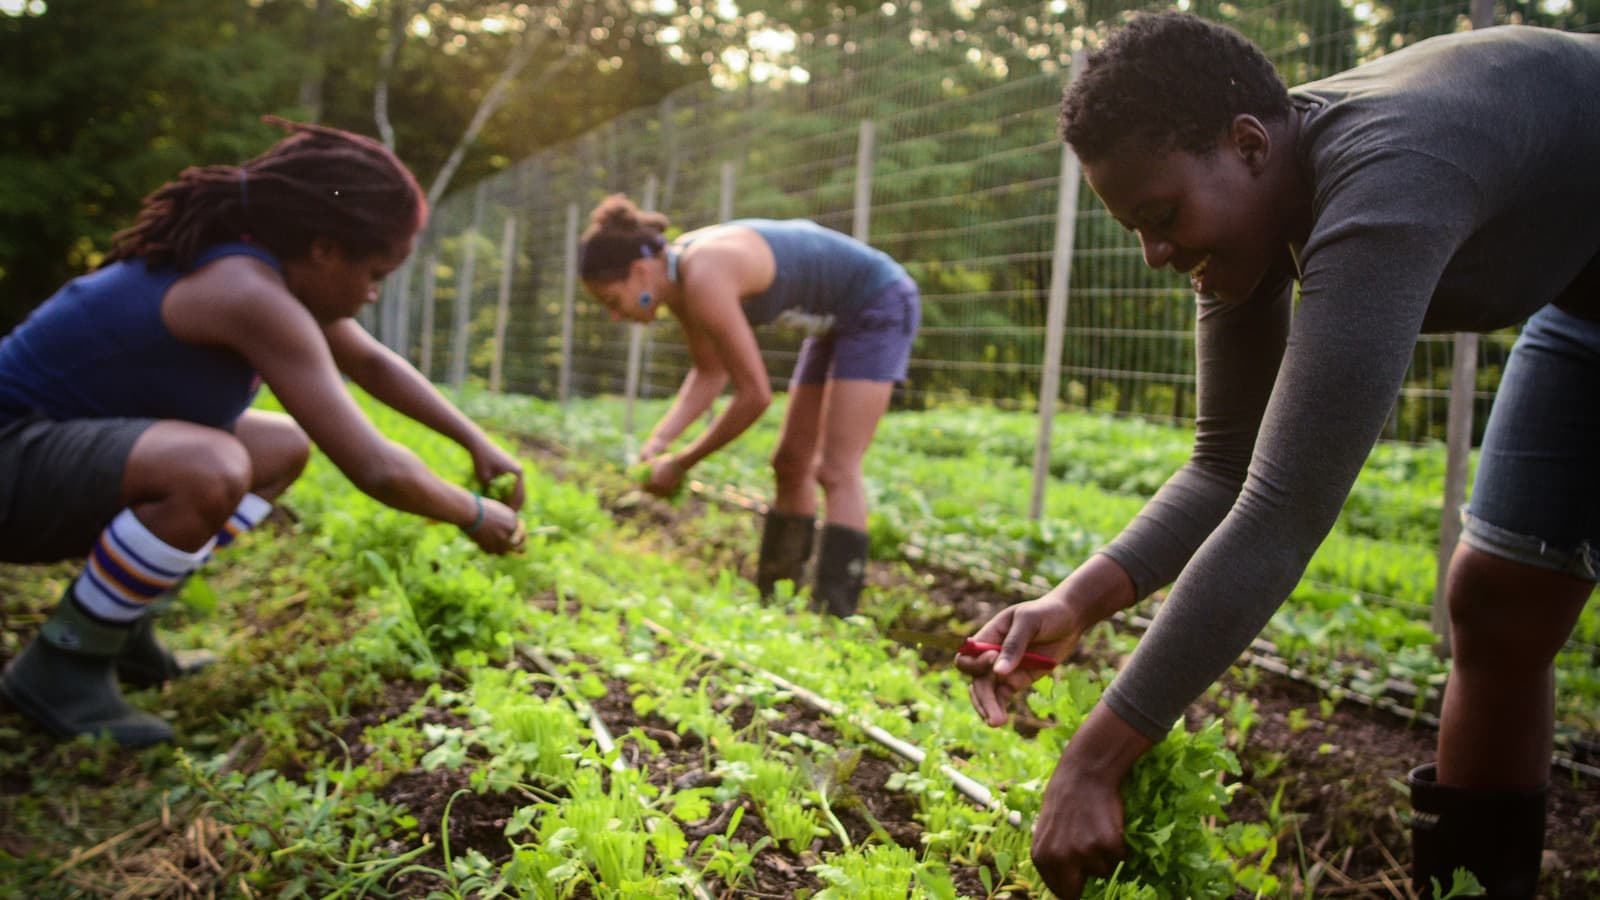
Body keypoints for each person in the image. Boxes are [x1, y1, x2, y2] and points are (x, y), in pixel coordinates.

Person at [956, 13, 1598, 899]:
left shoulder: (1387, 171)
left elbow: (1283, 512)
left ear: (1249, 145)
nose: (1155, 255)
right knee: (1495, 600)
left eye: (1162, 217)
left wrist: (1095, 761)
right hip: (1585, 309)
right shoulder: (1244, 231)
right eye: (1137, 230)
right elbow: (1225, 468)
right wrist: (1074, 602)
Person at [0, 117, 529, 748]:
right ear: (325, 249)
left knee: (276, 448)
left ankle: (119, 623)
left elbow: (372, 364)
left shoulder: (268, 272)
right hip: (12, 457)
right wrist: (473, 514)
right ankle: (63, 665)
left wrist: (477, 441)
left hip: (42, 456)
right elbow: (375, 467)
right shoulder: (243, 291)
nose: (371, 293)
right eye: (375, 271)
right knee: (209, 466)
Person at [578, 195, 920, 617]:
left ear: (640, 270)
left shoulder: (703, 276)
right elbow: (709, 372)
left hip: (877, 301)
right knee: (791, 463)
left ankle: (835, 617)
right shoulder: (678, 280)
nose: (617, 316)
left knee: (836, 469)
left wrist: (681, 463)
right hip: (833, 319)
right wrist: (660, 442)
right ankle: (776, 605)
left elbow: (754, 396)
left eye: (614, 302)